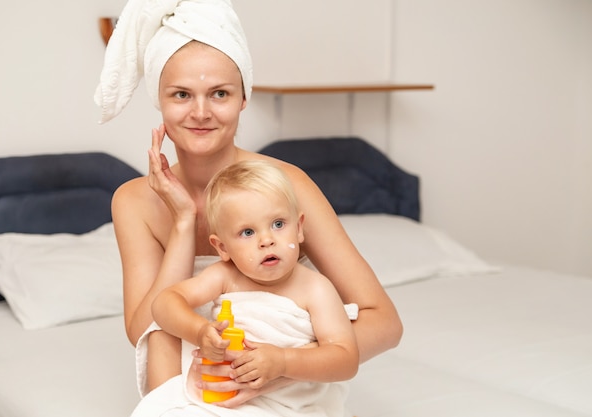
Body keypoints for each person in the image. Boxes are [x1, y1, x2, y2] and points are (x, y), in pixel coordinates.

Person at [95, 0, 402, 408]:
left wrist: (276, 370)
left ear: (243, 98)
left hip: (286, 378)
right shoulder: (133, 201)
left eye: (219, 93)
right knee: (161, 332)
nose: (200, 112)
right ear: (161, 102)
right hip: (192, 378)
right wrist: (184, 221)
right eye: (182, 94)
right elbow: (146, 332)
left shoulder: (286, 184)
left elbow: (384, 322)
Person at [141, 159, 359, 414]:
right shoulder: (225, 276)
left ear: (299, 229)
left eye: (278, 224)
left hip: (293, 404)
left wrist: (283, 361)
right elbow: (164, 303)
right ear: (222, 248)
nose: (267, 240)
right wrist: (199, 332)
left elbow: (346, 359)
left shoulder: (316, 289)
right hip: (228, 400)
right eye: (247, 232)